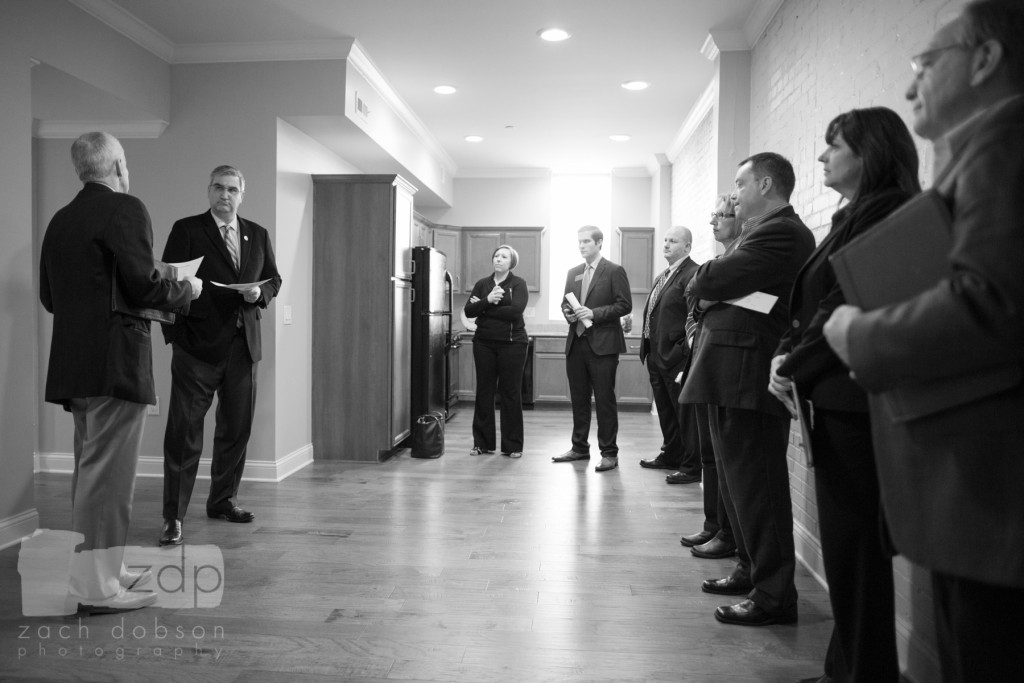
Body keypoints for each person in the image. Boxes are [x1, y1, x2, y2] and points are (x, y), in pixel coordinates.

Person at [823, 2, 1024, 678]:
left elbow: (990, 304)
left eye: (924, 65)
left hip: (992, 482)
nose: (910, 87)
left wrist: (859, 332)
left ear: (987, 58)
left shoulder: (1006, 143)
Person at [771, 107, 919, 682]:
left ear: (870, 152)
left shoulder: (889, 213)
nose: (821, 156)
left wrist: (792, 363)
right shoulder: (851, 213)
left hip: (857, 400)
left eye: (833, 145)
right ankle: (849, 667)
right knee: (846, 547)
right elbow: (809, 300)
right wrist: (787, 350)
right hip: (830, 393)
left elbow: (846, 303)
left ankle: (862, 673)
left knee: (855, 548)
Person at [39, 132, 201, 613]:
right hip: (115, 364)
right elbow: (144, 286)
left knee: (92, 474)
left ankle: (104, 567)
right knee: (107, 479)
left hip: (74, 366)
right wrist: (186, 288)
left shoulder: (60, 220)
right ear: (118, 166)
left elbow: (51, 298)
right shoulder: (126, 208)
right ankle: (96, 589)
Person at [680, 153, 815, 626]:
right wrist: (718, 288)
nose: (733, 193)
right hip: (729, 370)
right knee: (738, 484)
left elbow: (710, 280)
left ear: (765, 182)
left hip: (749, 370)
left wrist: (717, 287)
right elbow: (708, 288)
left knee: (758, 486)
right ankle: (750, 569)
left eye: (740, 182)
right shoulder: (755, 234)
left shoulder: (783, 232)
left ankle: (774, 595)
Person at [159, 165, 282, 546]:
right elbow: (167, 281)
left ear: (241, 194)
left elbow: (273, 279)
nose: (224, 195)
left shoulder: (257, 234)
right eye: (217, 187)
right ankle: (173, 517)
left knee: (236, 429)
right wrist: (176, 338)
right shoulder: (187, 229)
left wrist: (258, 294)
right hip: (197, 348)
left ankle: (223, 500)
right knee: (184, 434)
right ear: (208, 190)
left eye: (231, 189)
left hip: (243, 348)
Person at [677, 195, 741, 561]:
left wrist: (703, 299)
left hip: (724, 366)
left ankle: (726, 532)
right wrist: (699, 311)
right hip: (702, 357)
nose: (714, 222)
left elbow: (704, 294)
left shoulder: (740, 260)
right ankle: (712, 523)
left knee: (722, 455)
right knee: (708, 455)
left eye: (722, 215)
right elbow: (693, 300)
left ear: (740, 220)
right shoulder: (718, 262)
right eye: (712, 215)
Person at [552, 226, 632, 472]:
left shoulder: (614, 271)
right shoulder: (573, 272)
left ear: (599, 243)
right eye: (579, 242)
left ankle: (609, 452)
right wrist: (568, 313)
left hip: (604, 345)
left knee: (605, 400)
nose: (582, 246)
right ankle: (579, 448)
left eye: (587, 241)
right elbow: (565, 303)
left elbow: (624, 305)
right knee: (579, 399)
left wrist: (594, 313)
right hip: (576, 343)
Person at [637, 226, 700, 482]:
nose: (666, 244)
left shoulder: (693, 274)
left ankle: (691, 466)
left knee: (684, 414)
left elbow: (694, 318)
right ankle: (671, 453)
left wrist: (681, 352)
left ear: (687, 247)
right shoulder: (663, 275)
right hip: (655, 354)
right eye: (665, 240)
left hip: (676, 358)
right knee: (665, 410)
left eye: (673, 241)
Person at [464, 244, 530, 458]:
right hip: (484, 344)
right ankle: (482, 443)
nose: (498, 259)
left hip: (513, 344)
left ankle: (513, 446)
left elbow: (515, 312)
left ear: (512, 262)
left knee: (510, 393)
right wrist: (487, 300)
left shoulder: (519, 284)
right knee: (484, 392)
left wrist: (484, 308)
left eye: (504, 256)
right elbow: (468, 310)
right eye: (496, 256)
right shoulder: (482, 284)